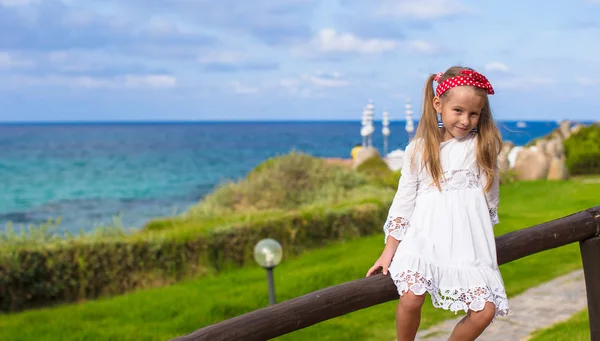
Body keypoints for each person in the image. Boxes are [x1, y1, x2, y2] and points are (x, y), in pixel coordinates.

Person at [366, 66, 510, 341]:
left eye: (473, 113)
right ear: (438, 105)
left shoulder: (481, 147)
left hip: (467, 245)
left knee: (484, 311)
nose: (465, 120)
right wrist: (389, 250)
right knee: (411, 298)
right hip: (424, 239)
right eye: (458, 110)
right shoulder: (419, 150)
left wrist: (484, 237)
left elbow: (490, 199)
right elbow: (404, 202)